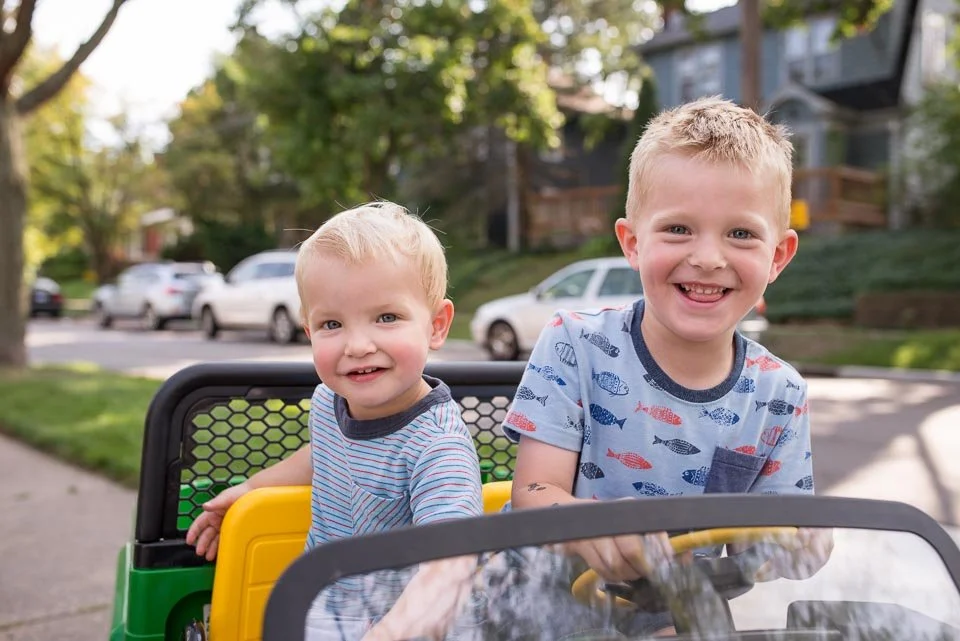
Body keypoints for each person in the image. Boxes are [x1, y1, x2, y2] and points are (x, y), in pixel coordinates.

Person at [503, 96, 832, 636]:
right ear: (632, 243)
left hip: (681, 620)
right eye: (678, 229)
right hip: (540, 612)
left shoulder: (781, 394)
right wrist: (589, 528)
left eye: (741, 233)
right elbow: (533, 493)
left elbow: (762, 546)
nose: (707, 257)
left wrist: (802, 543)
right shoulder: (575, 345)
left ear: (778, 256)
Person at [185, 201, 484, 641]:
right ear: (309, 332)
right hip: (330, 607)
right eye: (332, 324)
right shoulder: (330, 401)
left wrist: (388, 634)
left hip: (408, 626)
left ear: (436, 326)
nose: (358, 345)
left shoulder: (435, 446)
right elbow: (320, 455)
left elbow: (452, 565)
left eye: (387, 317)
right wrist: (250, 490)